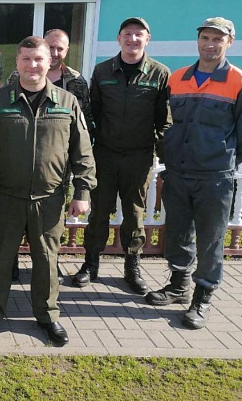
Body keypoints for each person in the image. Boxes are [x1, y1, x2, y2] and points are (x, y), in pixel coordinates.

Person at [0, 36, 95, 346]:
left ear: (49, 61)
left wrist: (82, 191)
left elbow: (82, 151)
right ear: (17, 62)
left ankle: (48, 316)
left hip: (49, 198)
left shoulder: (67, 102)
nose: (32, 65)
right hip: (6, 197)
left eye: (38, 59)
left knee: (47, 261)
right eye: (26, 59)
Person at [146, 17, 242, 329]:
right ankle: (178, 286)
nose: (210, 44)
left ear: (229, 42)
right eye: (205, 38)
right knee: (178, 231)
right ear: (198, 40)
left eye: (217, 39)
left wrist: (223, 160)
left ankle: (203, 296)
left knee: (210, 239)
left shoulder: (241, 83)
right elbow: (164, 120)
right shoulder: (178, 78)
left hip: (215, 176)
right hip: (178, 171)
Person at [72, 18, 171, 294]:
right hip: (105, 154)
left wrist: (162, 153)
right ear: (119, 39)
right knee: (99, 211)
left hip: (139, 156)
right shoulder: (102, 70)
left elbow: (164, 119)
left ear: (147, 39)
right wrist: (94, 143)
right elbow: (92, 112)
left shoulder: (160, 73)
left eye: (138, 34)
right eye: (127, 34)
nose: (132, 39)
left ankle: (132, 266)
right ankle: (90, 263)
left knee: (134, 213)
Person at [7, 29, 93, 283]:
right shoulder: (13, 82)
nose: (54, 53)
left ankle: (49, 274)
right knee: (10, 235)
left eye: (59, 49)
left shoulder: (75, 86)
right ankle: (10, 267)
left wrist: (82, 189)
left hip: (54, 179)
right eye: (50, 47)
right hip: (12, 182)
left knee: (49, 237)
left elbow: (82, 136)